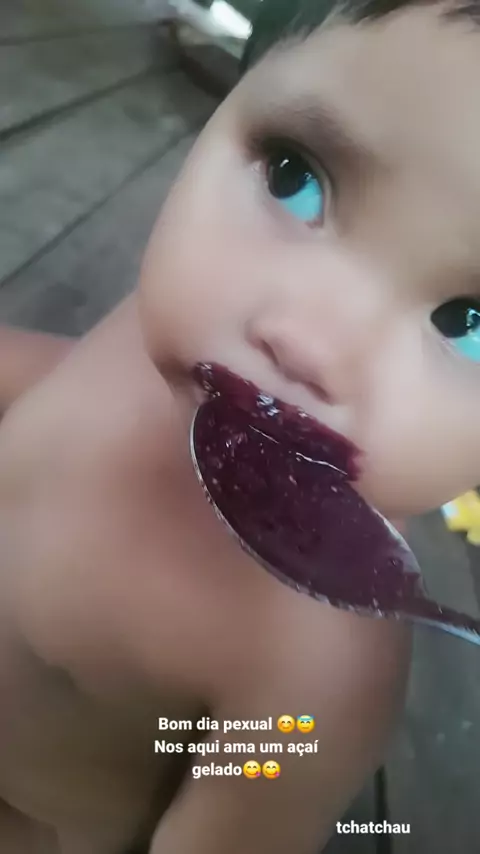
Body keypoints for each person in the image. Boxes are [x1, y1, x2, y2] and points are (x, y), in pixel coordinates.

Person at [2, 0, 480, 849]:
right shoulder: (167, 338)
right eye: (296, 176)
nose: (306, 340)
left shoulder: (314, 677)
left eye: (469, 324)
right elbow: (56, 388)